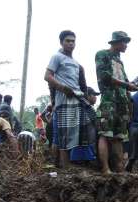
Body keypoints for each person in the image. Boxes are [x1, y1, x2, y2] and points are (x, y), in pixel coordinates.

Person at [95, 31, 138, 174]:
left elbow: (125, 81)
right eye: (124, 42)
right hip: (108, 100)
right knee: (105, 133)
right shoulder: (102, 54)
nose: (126, 45)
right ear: (117, 42)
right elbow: (105, 76)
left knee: (119, 136)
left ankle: (119, 169)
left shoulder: (119, 60)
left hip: (122, 102)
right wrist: (127, 85)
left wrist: (129, 91)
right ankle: (105, 168)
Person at [45, 30, 85, 168]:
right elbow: (47, 76)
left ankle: (65, 166)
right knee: (63, 135)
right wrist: (62, 88)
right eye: (68, 40)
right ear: (61, 42)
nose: (71, 43)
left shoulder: (75, 63)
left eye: (73, 41)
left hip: (75, 99)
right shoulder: (57, 57)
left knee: (72, 135)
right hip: (63, 100)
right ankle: (65, 168)